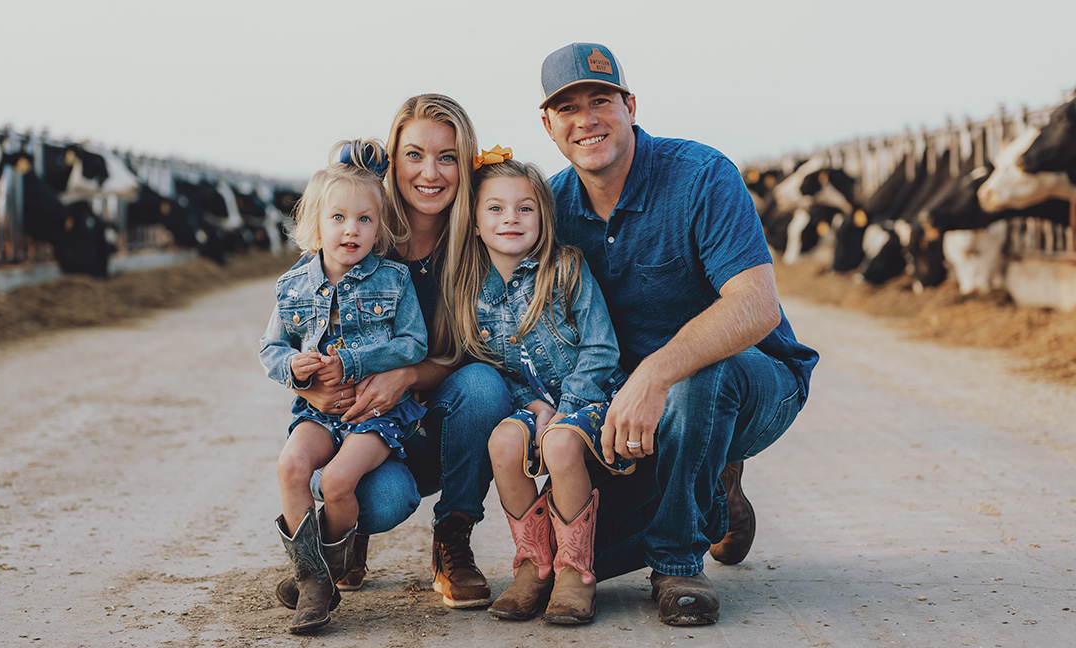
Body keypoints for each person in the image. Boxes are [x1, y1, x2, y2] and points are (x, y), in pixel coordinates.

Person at [536, 43, 820, 626]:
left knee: (700, 382)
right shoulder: (550, 206)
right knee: (559, 563)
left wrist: (655, 372)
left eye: (601, 100)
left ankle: (678, 562)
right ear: (548, 124)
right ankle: (714, 489)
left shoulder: (701, 176)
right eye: (568, 108)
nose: (586, 119)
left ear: (630, 105)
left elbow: (757, 306)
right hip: (632, 412)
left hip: (752, 383)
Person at [275, 94, 511, 611]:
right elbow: (300, 328)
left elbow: (485, 351)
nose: (431, 172)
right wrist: (310, 385)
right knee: (367, 496)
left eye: (448, 157)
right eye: (414, 155)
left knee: (485, 386)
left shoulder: (477, 241)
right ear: (392, 158)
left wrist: (406, 375)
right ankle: (342, 544)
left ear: (464, 165)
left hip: (434, 416)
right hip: (355, 420)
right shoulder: (360, 229)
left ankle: (453, 536)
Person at [443, 152, 630, 624]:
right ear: (476, 221)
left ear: (544, 218)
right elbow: (485, 363)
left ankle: (575, 572)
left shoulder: (565, 268)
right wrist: (530, 403)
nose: (511, 218)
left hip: (594, 397)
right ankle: (534, 564)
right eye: (496, 209)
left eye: (525, 208)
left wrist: (564, 409)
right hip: (536, 404)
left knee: (561, 443)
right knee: (504, 442)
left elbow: (601, 349)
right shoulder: (469, 286)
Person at [259, 140, 430, 632]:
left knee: (336, 482)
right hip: (318, 412)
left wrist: (356, 360)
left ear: (380, 228)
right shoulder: (291, 287)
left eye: (364, 219)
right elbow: (270, 349)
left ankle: (322, 576)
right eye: (337, 218)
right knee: (292, 464)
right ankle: (313, 575)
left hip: (375, 413)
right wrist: (296, 366)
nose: (351, 230)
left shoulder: (394, 280)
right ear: (314, 224)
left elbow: (414, 342)